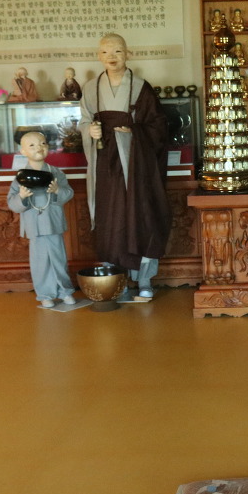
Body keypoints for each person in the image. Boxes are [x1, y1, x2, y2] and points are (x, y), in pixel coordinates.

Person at [79, 34, 171, 300]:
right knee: (110, 220)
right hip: (104, 165)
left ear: (127, 54)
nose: (112, 57)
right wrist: (90, 131)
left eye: (118, 51)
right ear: (99, 56)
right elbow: (83, 121)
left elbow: (158, 126)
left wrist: (134, 132)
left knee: (140, 217)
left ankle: (144, 279)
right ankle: (114, 279)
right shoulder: (90, 88)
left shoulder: (141, 87)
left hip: (136, 164)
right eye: (106, 52)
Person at [7, 131, 77, 309]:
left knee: (59, 259)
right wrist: (22, 196)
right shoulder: (20, 177)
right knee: (40, 262)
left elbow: (69, 193)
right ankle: (45, 295)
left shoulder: (56, 172)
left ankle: (65, 292)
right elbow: (12, 203)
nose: (39, 147)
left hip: (52, 222)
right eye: (32, 145)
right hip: (35, 224)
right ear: (23, 151)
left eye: (43, 143)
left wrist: (57, 191)